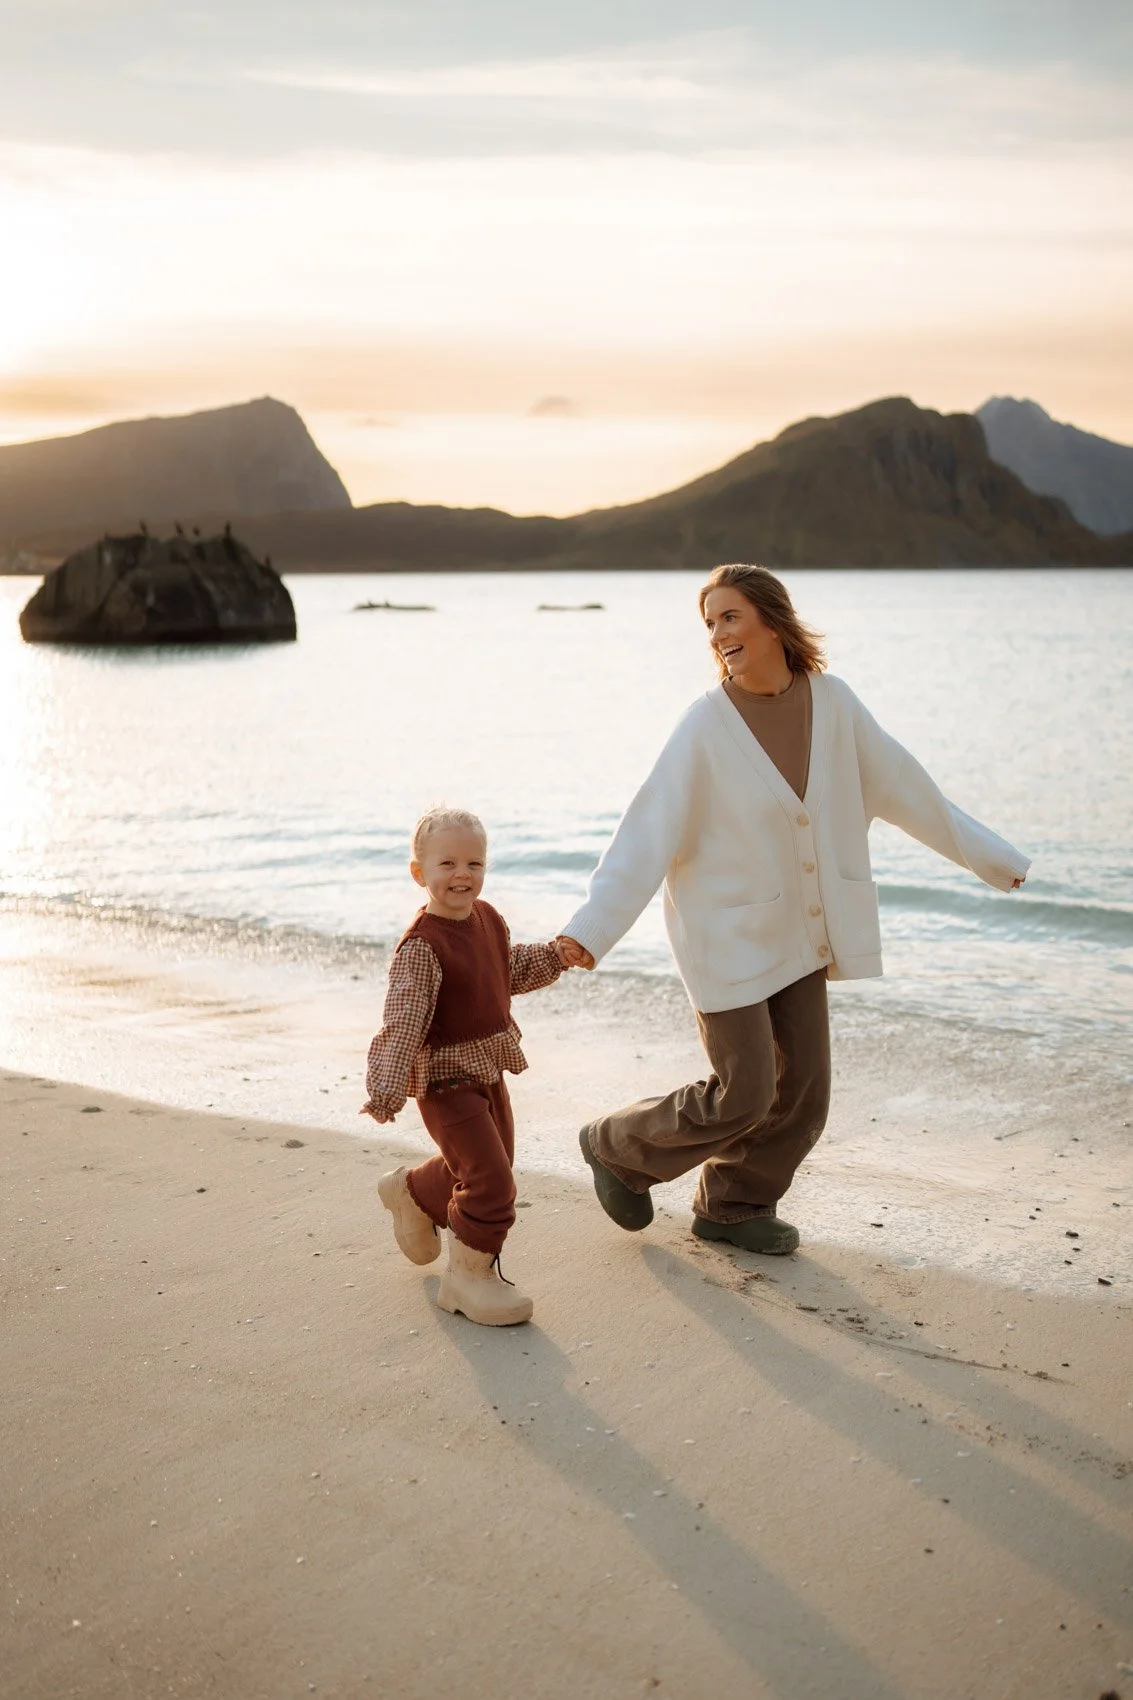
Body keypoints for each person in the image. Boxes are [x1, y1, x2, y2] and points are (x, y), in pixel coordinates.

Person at [556, 562, 1028, 1256]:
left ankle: (734, 1205)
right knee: (743, 1092)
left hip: (799, 933)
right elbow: (646, 831)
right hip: (722, 935)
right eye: (710, 623)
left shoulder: (833, 704)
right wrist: (591, 930)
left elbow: (907, 788)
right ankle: (616, 1144)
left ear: (772, 620)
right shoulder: (704, 726)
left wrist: (992, 859)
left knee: (804, 1091)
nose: (718, 634)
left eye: (730, 617)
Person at [362, 807, 564, 1325]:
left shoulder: (488, 918)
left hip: (488, 1068)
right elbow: (402, 1021)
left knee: (484, 1166)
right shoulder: (422, 947)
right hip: (445, 1084)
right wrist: (385, 1090)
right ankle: (468, 1280)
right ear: (419, 874)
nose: (462, 874)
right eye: (447, 863)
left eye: (474, 863)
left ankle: (411, 1192)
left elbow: (506, 969)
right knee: (493, 1184)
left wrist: (559, 955)